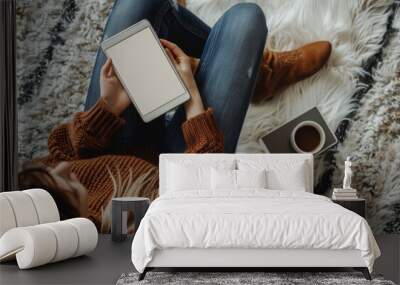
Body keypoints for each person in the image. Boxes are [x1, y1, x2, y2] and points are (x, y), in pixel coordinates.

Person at [18, 0, 331, 231]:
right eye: (69, 180)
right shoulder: (115, 232)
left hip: (116, 139)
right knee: (246, 19)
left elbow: (66, 150)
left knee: (138, 5)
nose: (63, 167)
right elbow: (198, 192)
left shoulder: (38, 189)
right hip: (179, 170)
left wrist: (108, 108)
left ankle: (256, 76)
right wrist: (192, 96)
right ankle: (260, 74)